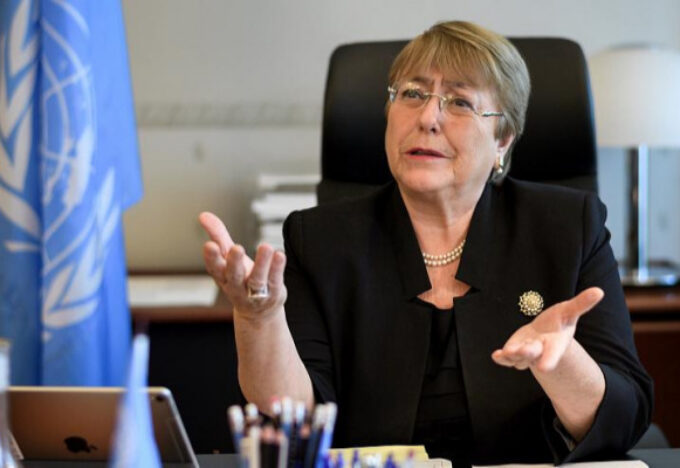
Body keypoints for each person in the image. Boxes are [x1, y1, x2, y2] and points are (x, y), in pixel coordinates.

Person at [199, 21, 652, 467]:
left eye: (460, 102)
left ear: (502, 140)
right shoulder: (319, 240)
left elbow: (626, 417)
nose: (427, 118)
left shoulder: (568, 227)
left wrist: (562, 362)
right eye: (412, 94)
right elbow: (291, 419)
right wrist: (259, 319)